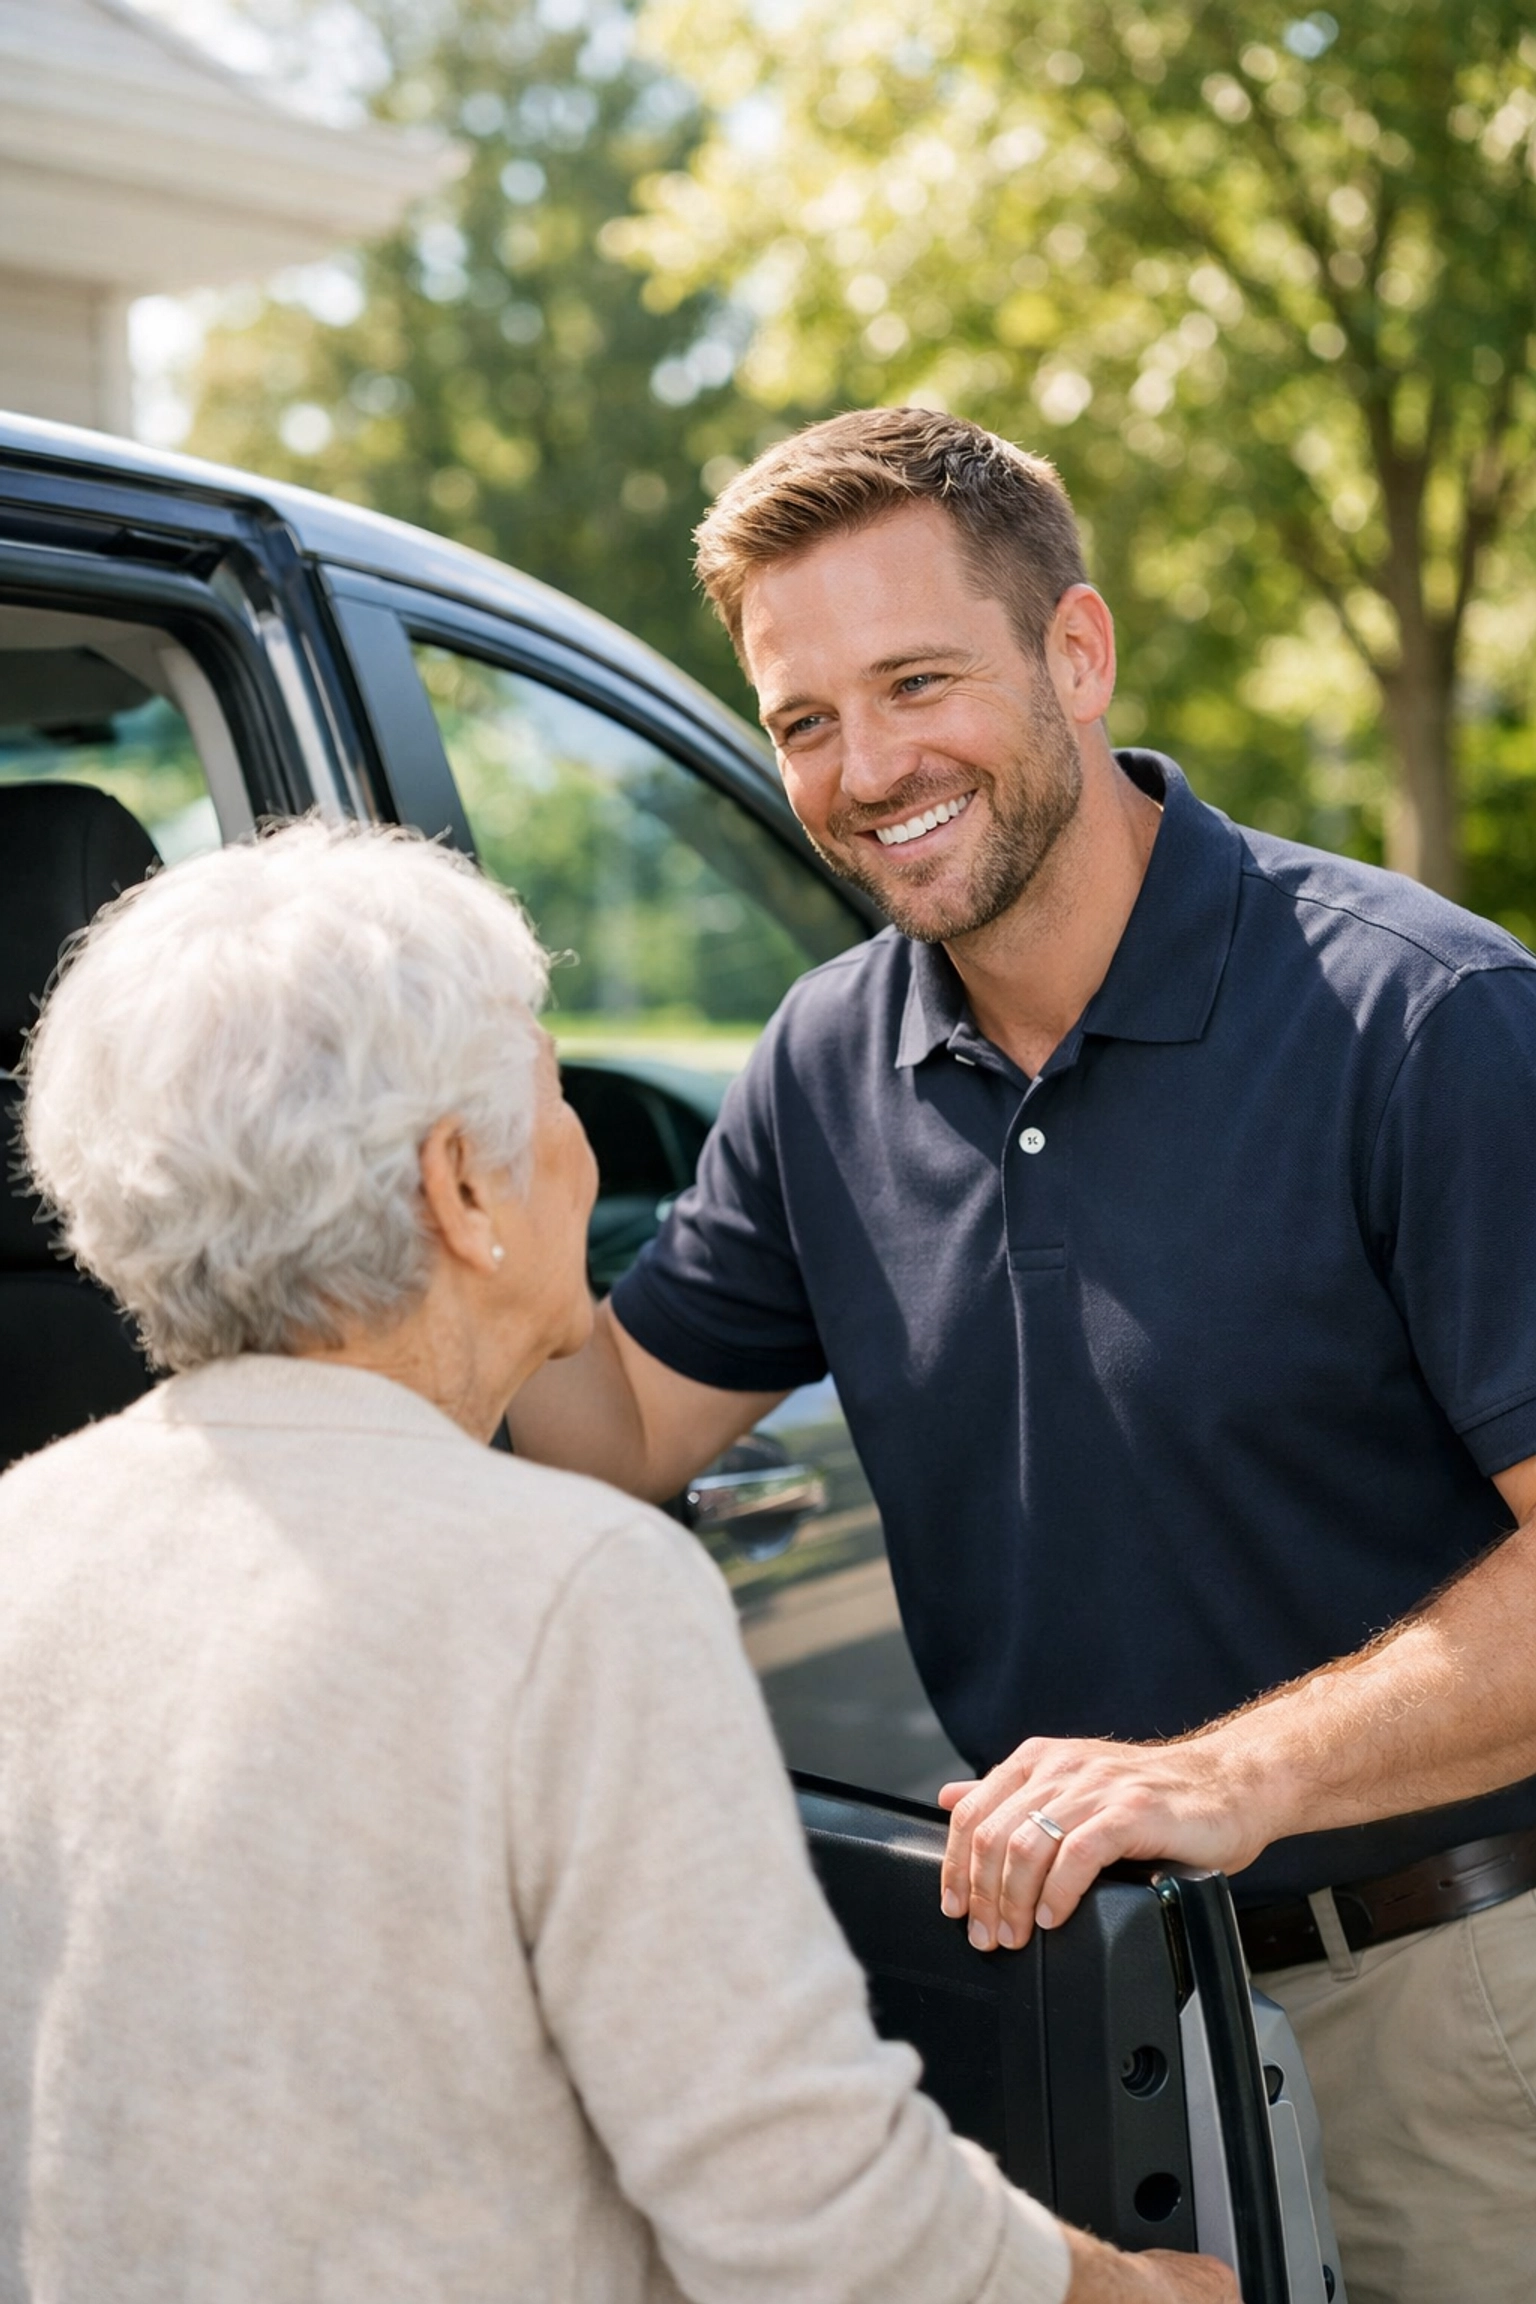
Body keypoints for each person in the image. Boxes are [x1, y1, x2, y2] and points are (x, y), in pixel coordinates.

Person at [509, 407, 1536, 2304]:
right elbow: (618, 1426)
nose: (865, 768)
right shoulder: (825, 1064)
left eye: (917, 683)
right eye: (804, 719)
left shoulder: (1425, 1019)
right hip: (1068, 2020)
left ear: (1077, 652)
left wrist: (1233, 1775)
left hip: (1449, 2018)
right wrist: (467, 1197)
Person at [0, 820, 1228, 2304]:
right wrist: (1147, 2296)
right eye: (551, 1089)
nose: (583, 1143)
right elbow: (818, 2223)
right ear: (460, 1189)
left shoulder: (30, 1537)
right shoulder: (571, 1597)